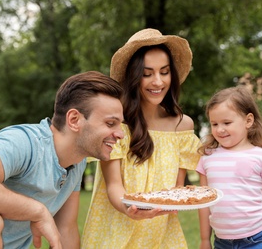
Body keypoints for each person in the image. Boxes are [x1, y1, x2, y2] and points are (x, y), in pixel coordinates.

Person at [0, 71, 124, 249]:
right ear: (74, 119)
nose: (120, 134)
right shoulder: (24, 143)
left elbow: (66, 228)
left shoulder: (77, 163)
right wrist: (36, 211)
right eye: (110, 123)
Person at [82, 28, 201, 248]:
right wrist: (130, 208)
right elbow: (113, 186)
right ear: (134, 77)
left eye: (164, 72)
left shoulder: (182, 127)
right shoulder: (115, 125)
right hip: (116, 235)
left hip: (161, 237)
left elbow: (176, 190)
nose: (157, 82)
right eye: (147, 74)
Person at [196, 86, 262, 249]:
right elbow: (204, 205)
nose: (220, 129)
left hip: (260, 238)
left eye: (227, 122)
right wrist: (205, 240)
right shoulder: (207, 159)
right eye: (214, 124)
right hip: (222, 242)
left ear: (248, 121)